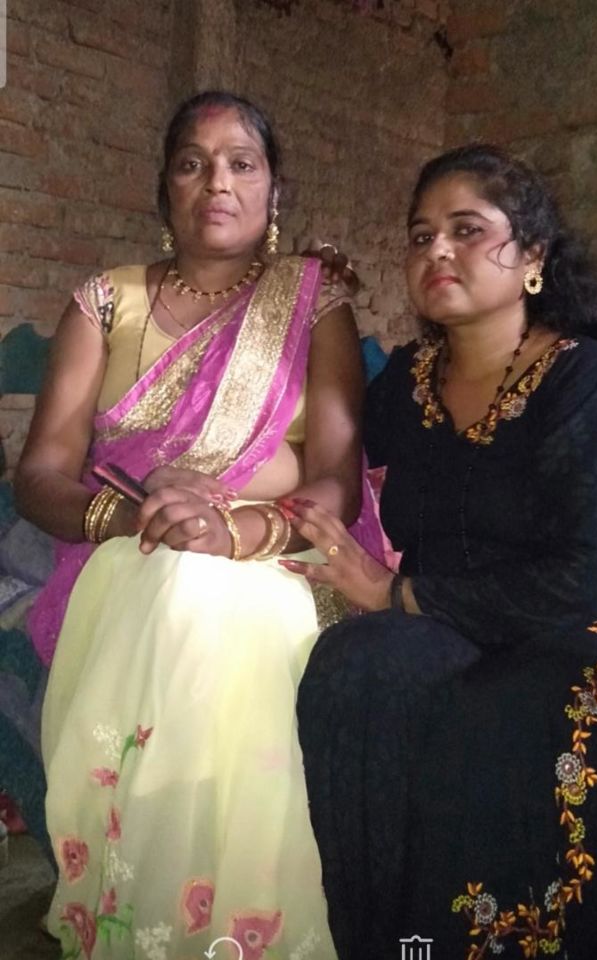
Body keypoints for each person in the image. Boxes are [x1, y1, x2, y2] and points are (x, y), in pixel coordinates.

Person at [15, 90, 382, 960]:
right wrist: (133, 516)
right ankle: (151, 918)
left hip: (277, 552)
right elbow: (39, 475)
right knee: (175, 585)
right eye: (193, 163)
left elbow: (338, 478)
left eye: (241, 163)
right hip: (125, 549)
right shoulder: (106, 302)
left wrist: (239, 532)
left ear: (272, 191)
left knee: (202, 598)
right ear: (165, 189)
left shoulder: (315, 304)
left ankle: (209, 920)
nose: (217, 181)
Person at [284, 144, 597, 960]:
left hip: (587, 625)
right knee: (355, 668)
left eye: (467, 230)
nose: (437, 250)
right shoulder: (405, 384)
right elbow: (324, 454)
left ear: (533, 257)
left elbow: (585, 580)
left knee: (495, 715)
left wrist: (398, 595)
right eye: (421, 236)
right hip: (449, 617)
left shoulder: (584, 379)